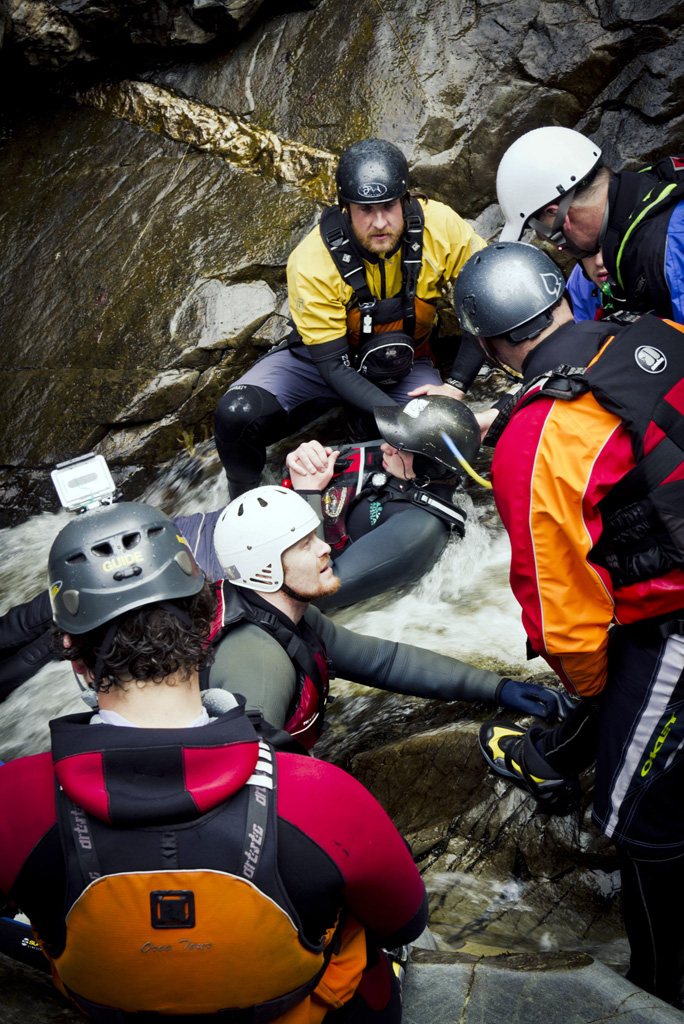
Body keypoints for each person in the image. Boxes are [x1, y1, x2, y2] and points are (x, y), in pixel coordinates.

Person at [0, 500, 429, 1022]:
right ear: (207, 622)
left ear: (73, 653)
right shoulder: (324, 795)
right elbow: (405, 921)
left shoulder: (13, 801)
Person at [453, 240, 684, 1007]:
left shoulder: (538, 438)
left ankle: (661, 993)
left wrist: (595, 691)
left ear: (491, 346)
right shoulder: (654, 332)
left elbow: (561, 619)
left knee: (634, 812)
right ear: (560, 299)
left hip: (675, 621)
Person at [214, 137, 486, 499]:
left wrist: (455, 386)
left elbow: (489, 298)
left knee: (434, 442)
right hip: (320, 366)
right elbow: (332, 366)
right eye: (365, 210)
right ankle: (243, 504)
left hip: (402, 363)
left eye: (389, 206)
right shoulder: (312, 260)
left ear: (406, 200)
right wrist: (396, 419)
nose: (380, 222)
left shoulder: (442, 227)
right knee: (235, 414)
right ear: (345, 209)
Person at [207, 484, 567, 750]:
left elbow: (384, 662)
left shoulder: (291, 617)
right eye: (305, 546)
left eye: (315, 536)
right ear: (265, 571)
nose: (325, 548)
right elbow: (246, 785)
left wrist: (497, 688)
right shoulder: (259, 664)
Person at [285, 395, 481, 609]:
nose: (384, 447)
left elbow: (318, 591)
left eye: (398, 446)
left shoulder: (417, 530)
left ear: (429, 466)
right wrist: (303, 456)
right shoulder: (400, 459)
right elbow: (299, 466)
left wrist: (308, 492)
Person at [496, 125, 684, 323]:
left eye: (544, 234)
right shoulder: (646, 193)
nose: (558, 247)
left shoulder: (671, 247)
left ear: (558, 216)